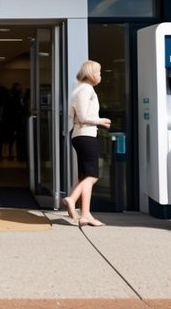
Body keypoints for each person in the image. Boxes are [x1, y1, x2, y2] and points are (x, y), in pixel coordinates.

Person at [62, 60, 111, 227]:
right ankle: (72, 198)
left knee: (85, 177)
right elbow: (82, 117)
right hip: (86, 136)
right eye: (98, 72)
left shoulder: (81, 89)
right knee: (92, 176)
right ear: (90, 74)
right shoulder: (85, 90)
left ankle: (85, 214)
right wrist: (101, 121)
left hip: (81, 135)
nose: (100, 76)